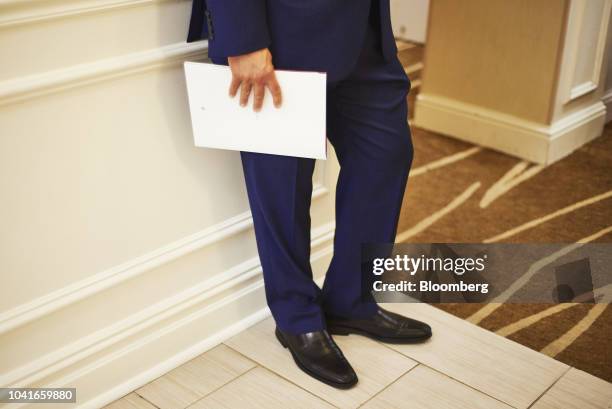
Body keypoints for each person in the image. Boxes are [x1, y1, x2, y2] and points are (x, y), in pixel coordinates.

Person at [187, 0, 432, 389]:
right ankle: (296, 317)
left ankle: (351, 300)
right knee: (282, 186)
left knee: (386, 154)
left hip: (365, 31)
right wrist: (243, 36)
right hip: (279, 35)